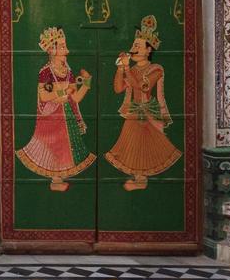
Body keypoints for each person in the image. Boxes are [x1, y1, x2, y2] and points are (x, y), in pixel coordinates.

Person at [105, 15, 181, 190]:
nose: (133, 50)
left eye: (137, 47)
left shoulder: (156, 69)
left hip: (149, 112)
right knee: (132, 146)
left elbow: (143, 87)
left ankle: (141, 180)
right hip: (134, 112)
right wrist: (120, 69)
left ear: (149, 50)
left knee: (147, 146)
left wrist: (126, 69)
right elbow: (118, 88)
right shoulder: (131, 69)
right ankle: (139, 178)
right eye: (133, 46)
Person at [15, 26, 94, 191]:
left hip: (67, 116)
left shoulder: (68, 72)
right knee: (53, 147)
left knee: (65, 149)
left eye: (65, 46)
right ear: (52, 50)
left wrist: (86, 82)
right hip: (51, 116)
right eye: (63, 47)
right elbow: (44, 96)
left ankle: (58, 180)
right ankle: (55, 181)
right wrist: (63, 90)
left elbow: (76, 98)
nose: (67, 50)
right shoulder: (45, 72)